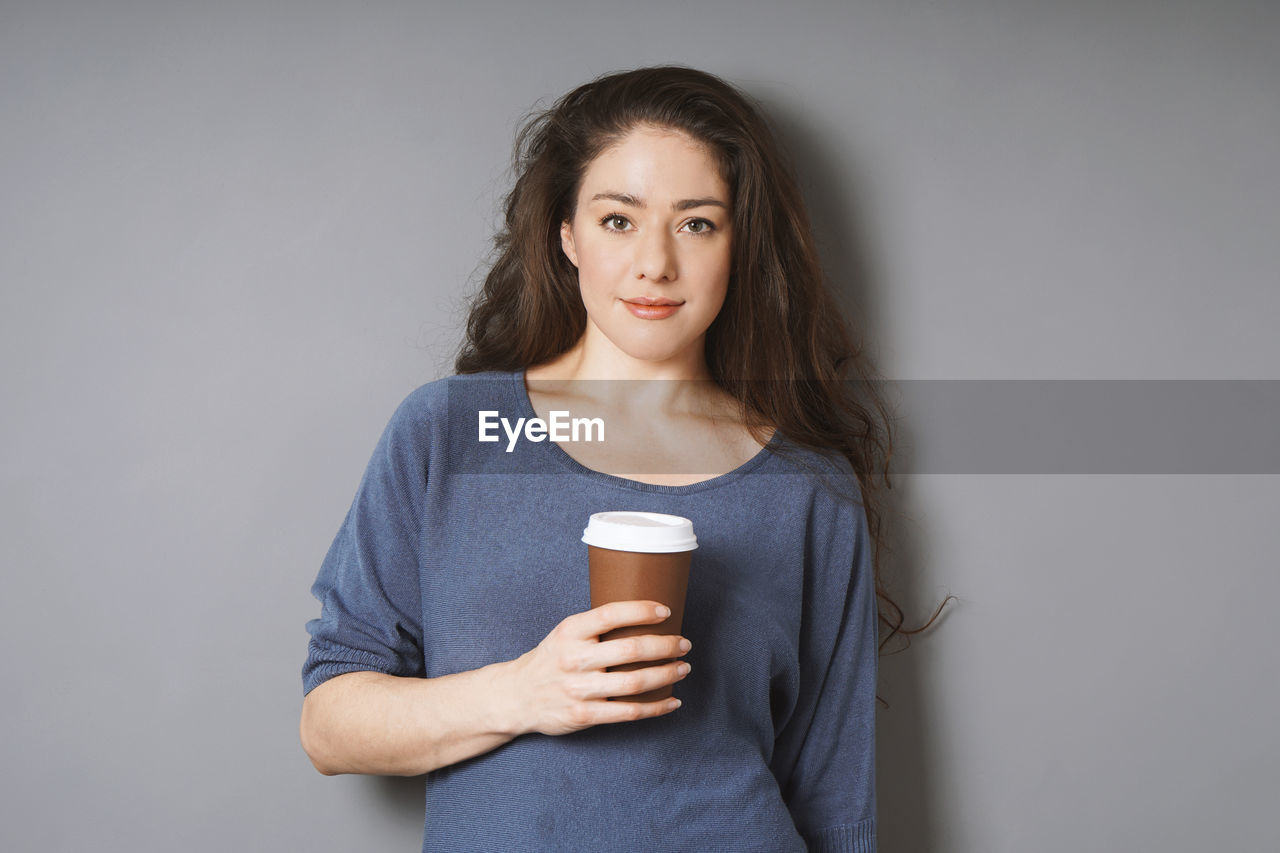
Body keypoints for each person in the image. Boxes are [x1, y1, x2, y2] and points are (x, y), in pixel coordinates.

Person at [300, 65, 898, 853]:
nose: (655, 263)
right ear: (567, 234)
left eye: (697, 223)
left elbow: (835, 801)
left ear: (739, 246)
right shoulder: (451, 432)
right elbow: (330, 725)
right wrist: (526, 692)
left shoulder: (808, 488)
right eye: (620, 220)